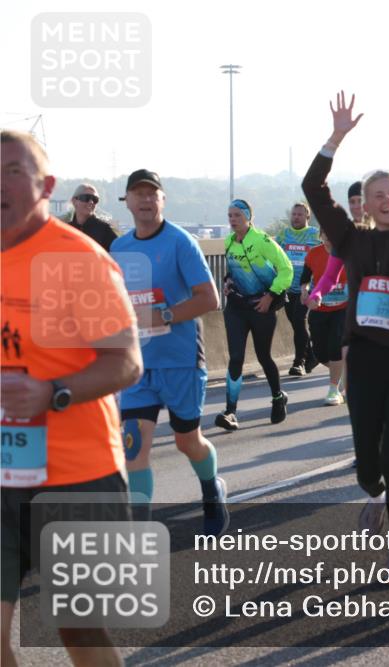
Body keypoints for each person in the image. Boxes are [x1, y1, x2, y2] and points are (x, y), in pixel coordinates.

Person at [2, 129, 143, 667]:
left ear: (47, 186)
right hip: (4, 474)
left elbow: (127, 362)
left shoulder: (76, 258)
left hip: (78, 474)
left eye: (13, 170)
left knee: (79, 632)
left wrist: (51, 392)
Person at [302, 92, 389, 580]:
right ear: (366, 203)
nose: (387, 201)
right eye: (377, 195)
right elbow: (313, 187)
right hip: (364, 361)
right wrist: (336, 138)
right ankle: (376, 497)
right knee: (367, 468)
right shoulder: (351, 239)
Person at [111, 169, 229, 532]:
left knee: (187, 441)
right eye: (138, 193)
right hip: (138, 366)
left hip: (181, 361)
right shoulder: (120, 248)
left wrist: (161, 314)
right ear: (127, 201)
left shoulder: (181, 242)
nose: (146, 200)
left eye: (153, 194)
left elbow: (209, 299)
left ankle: (212, 489)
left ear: (162, 200)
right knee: (134, 447)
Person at [216, 199, 293, 430]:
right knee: (236, 358)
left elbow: (286, 269)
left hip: (261, 307)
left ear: (249, 217)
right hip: (236, 308)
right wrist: (228, 282)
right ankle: (230, 412)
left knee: (263, 356)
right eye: (230, 215)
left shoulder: (262, 241)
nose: (232, 220)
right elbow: (233, 271)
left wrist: (270, 295)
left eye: (237, 215)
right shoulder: (229, 241)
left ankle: (278, 397)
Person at [303, 230, 349, 405]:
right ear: (321, 235)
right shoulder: (314, 254)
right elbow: (305, 278)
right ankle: (344, 371)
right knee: (320, 353)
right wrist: (305, 290)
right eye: (326, 234)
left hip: (343, 308)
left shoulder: (348, 253)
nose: (329, 239)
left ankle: (333, 389)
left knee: (335, 345)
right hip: (320, 308)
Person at [276, 202, 322, 376]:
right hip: (288, 288)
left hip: (307, 287)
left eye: (300, 215)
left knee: (299, 320)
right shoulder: (283, 235)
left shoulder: (315, 235)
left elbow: (327, 254)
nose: (296, 217)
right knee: (296, 325)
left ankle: (299, 362)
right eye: (294, 214)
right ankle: (312, 355)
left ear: (307, 217)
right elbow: (273, 255)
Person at [67, 183, 117, 251]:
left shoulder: (104, 230)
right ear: (74, 201)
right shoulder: (66, 230)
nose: (91, 202)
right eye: (86, 198)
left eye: (95, 199)